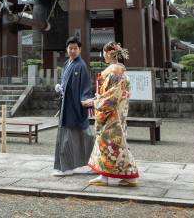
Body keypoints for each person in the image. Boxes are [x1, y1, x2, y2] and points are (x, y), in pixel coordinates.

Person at [82, 41, 139, 187]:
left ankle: (128, 176)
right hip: (119, 113)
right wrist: (97, 98)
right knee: (114, 146)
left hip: (110, 115)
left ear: (108, 53)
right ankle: (106, 176)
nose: (103, 56)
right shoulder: (121, 72)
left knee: (109, 145)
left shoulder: (113, 71)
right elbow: (114, 94)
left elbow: (110, 96)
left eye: (103, 53)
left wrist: (94, 102)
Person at [52, 36, 95, 176]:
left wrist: (84, 99)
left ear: (80, 49)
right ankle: (71, 165)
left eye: (75, 48)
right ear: (67, 49)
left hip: (75, 105)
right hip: (66, 105)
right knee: (68, 134)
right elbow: (65, 82)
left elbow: (85, 86)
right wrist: (61, 88)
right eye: (70, 48)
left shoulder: (81, 66)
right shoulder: (67, 63)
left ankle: (69, 167)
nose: (72, 51)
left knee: (73, 135)